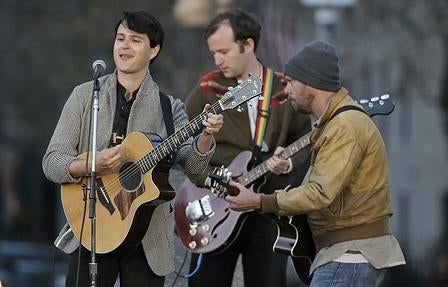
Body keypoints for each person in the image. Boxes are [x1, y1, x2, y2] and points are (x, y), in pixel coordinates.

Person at [42, 10, 223, 287]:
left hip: (146, 241)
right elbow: (52, 162)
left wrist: (207, 137)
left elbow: (195, 170)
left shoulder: (169, 108)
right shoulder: (83, 96)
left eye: (135, 40)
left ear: (154, 50)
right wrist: (93, 165)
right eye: (120, 38)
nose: (124, 46)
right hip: (93, 227)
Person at [226, 40, 406, 286]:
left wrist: (260, 201)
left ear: (311, 83)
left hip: (348, 257)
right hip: (343, 255)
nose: (285, 90)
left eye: (290, 82)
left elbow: (320, 193)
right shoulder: (332, 126)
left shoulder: (345, 127)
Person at [184, 8, 312, 287]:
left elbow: (306, 137)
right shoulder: (208, 87)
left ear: (248, 44)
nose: (218, 60)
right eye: (213, 52)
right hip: (217, 208)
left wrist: (288, 163)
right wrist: (203, 179)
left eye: (224, 51)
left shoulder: (282, 87)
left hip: (265, 209)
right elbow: (184, 144)